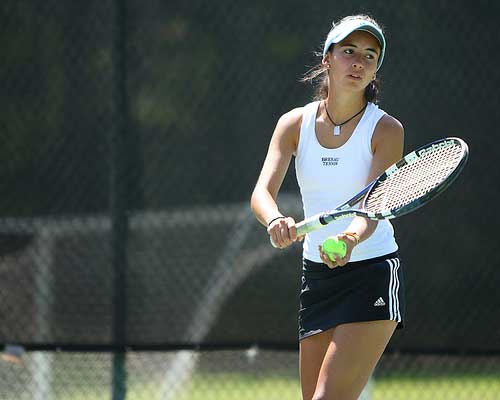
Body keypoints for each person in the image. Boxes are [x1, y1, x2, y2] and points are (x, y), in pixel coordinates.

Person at [250, 15, 405, 400]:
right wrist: (276, 221)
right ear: (327, 59)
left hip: (370, 272)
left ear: (375, 71)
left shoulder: (386, 130)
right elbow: (261, 194)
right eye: (348, 52)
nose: (358, 63)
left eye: (369, 56)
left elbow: (375, 204)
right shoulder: (292, 124)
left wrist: (350, 238)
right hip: (317, 277)